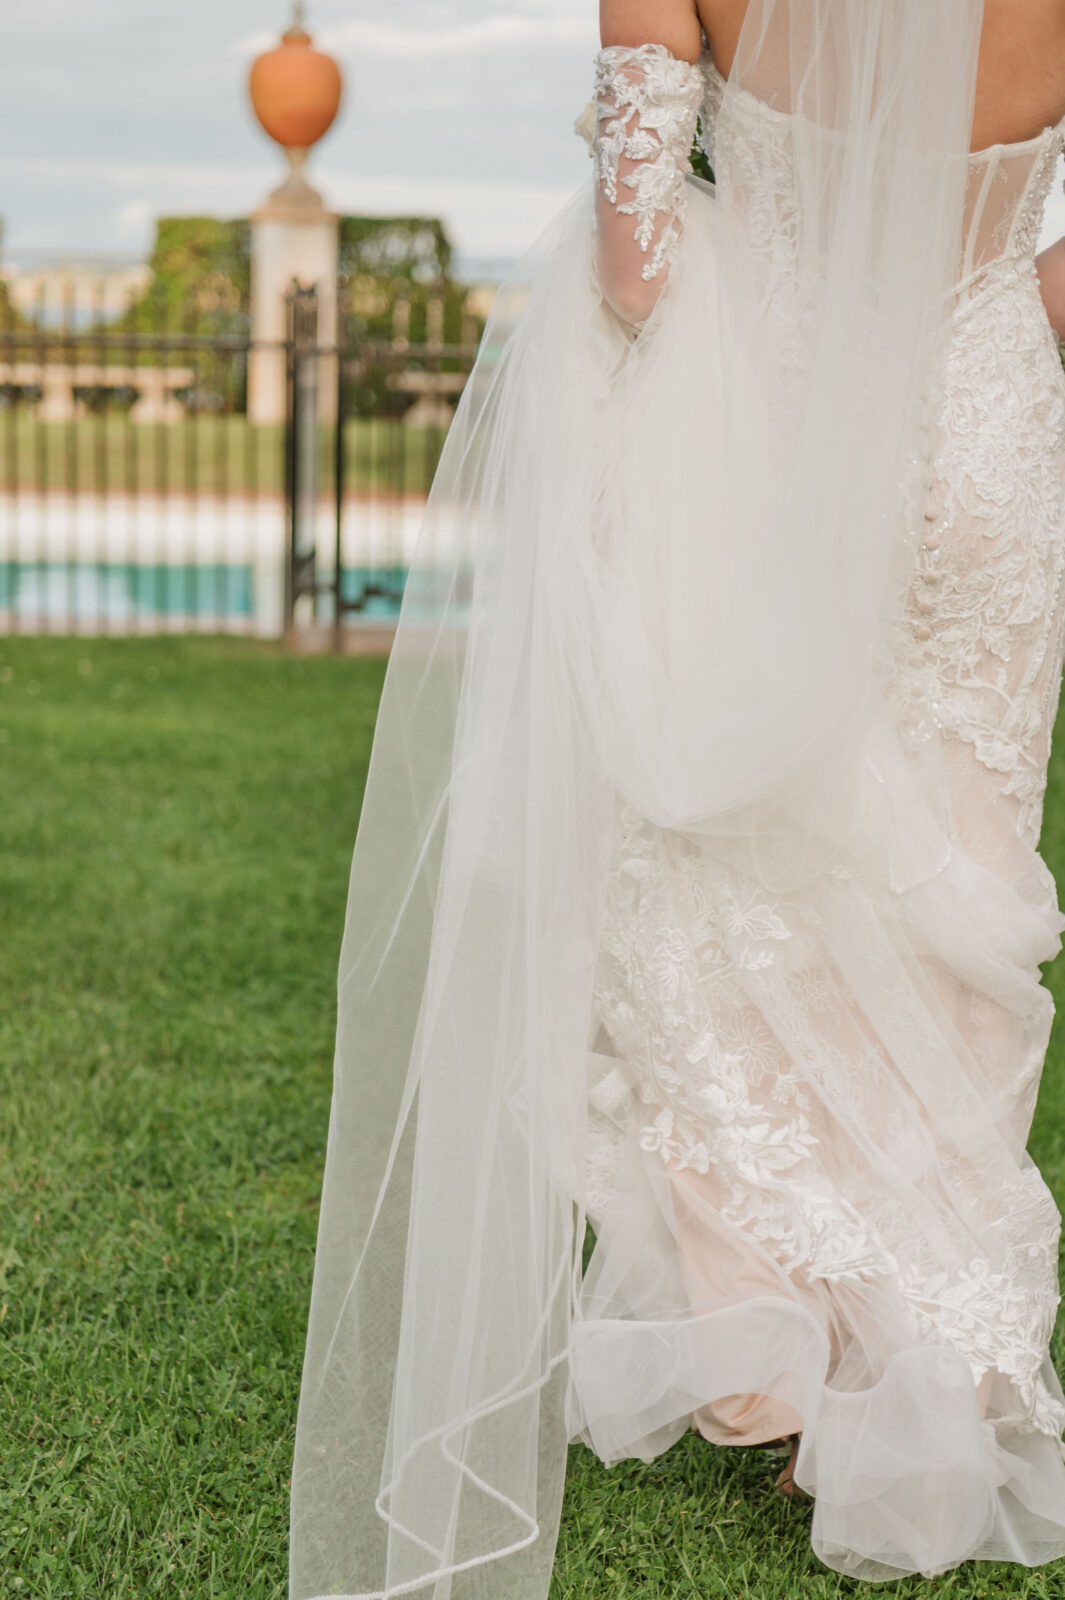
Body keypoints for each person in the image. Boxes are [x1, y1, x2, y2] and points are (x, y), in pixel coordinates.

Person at [290, 1, 1065, 1592]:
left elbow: (636, 266)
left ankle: (773, 1354)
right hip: (985, 426)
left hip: (764, 421)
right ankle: (937, 1355)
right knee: (953, 874)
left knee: (721, 875)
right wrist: (1000, 317)